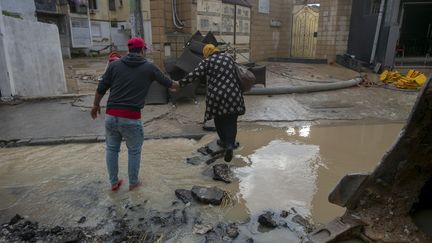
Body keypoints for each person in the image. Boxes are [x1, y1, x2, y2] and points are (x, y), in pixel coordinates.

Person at [91, 37, 179, 191]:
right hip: (131, 118)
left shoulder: (114, 65)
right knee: (134, 151)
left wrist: (95, 105)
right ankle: (133, 183)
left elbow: (101, 87)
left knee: (111, 149)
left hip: (111, 116)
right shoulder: (149, 67)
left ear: (128, 49)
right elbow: (168, 83)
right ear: (143, 50)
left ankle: (113, 183)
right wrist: (178, 85)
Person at [178, 44, 245, 162]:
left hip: (216, 97)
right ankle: (230, 145)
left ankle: (223, 142)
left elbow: (194, 75)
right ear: (216, 50)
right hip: (233, 94)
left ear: (206, 53)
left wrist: (180, 84)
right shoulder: (228, 58)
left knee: (218, 119)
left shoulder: (207, 62)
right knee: (231, 121)